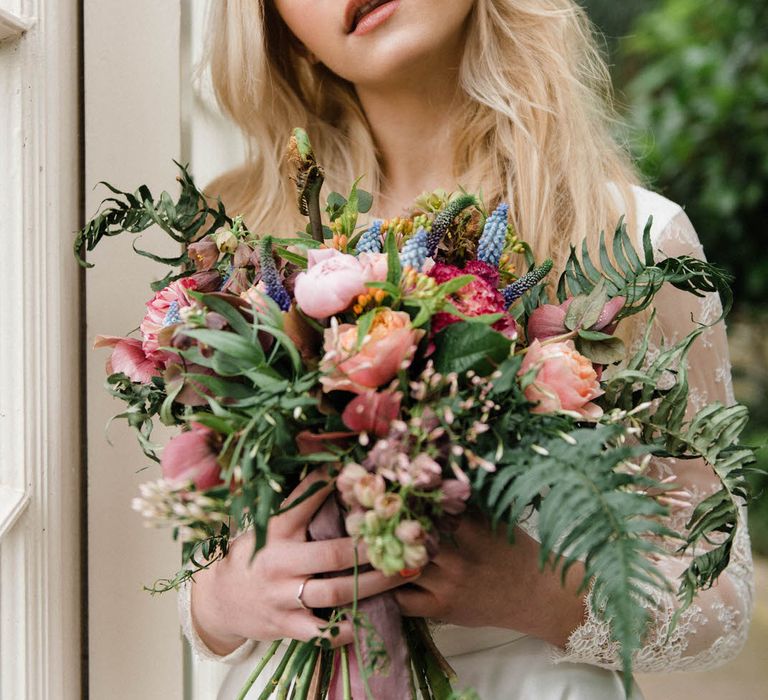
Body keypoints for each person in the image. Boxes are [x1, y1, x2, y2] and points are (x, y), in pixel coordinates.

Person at [179, 1, 754, 697]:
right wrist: (219, 602)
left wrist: (542, 592)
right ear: (273, 23)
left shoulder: (632, 240)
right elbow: (187, 565)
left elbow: (720, 599)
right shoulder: (236, 242)